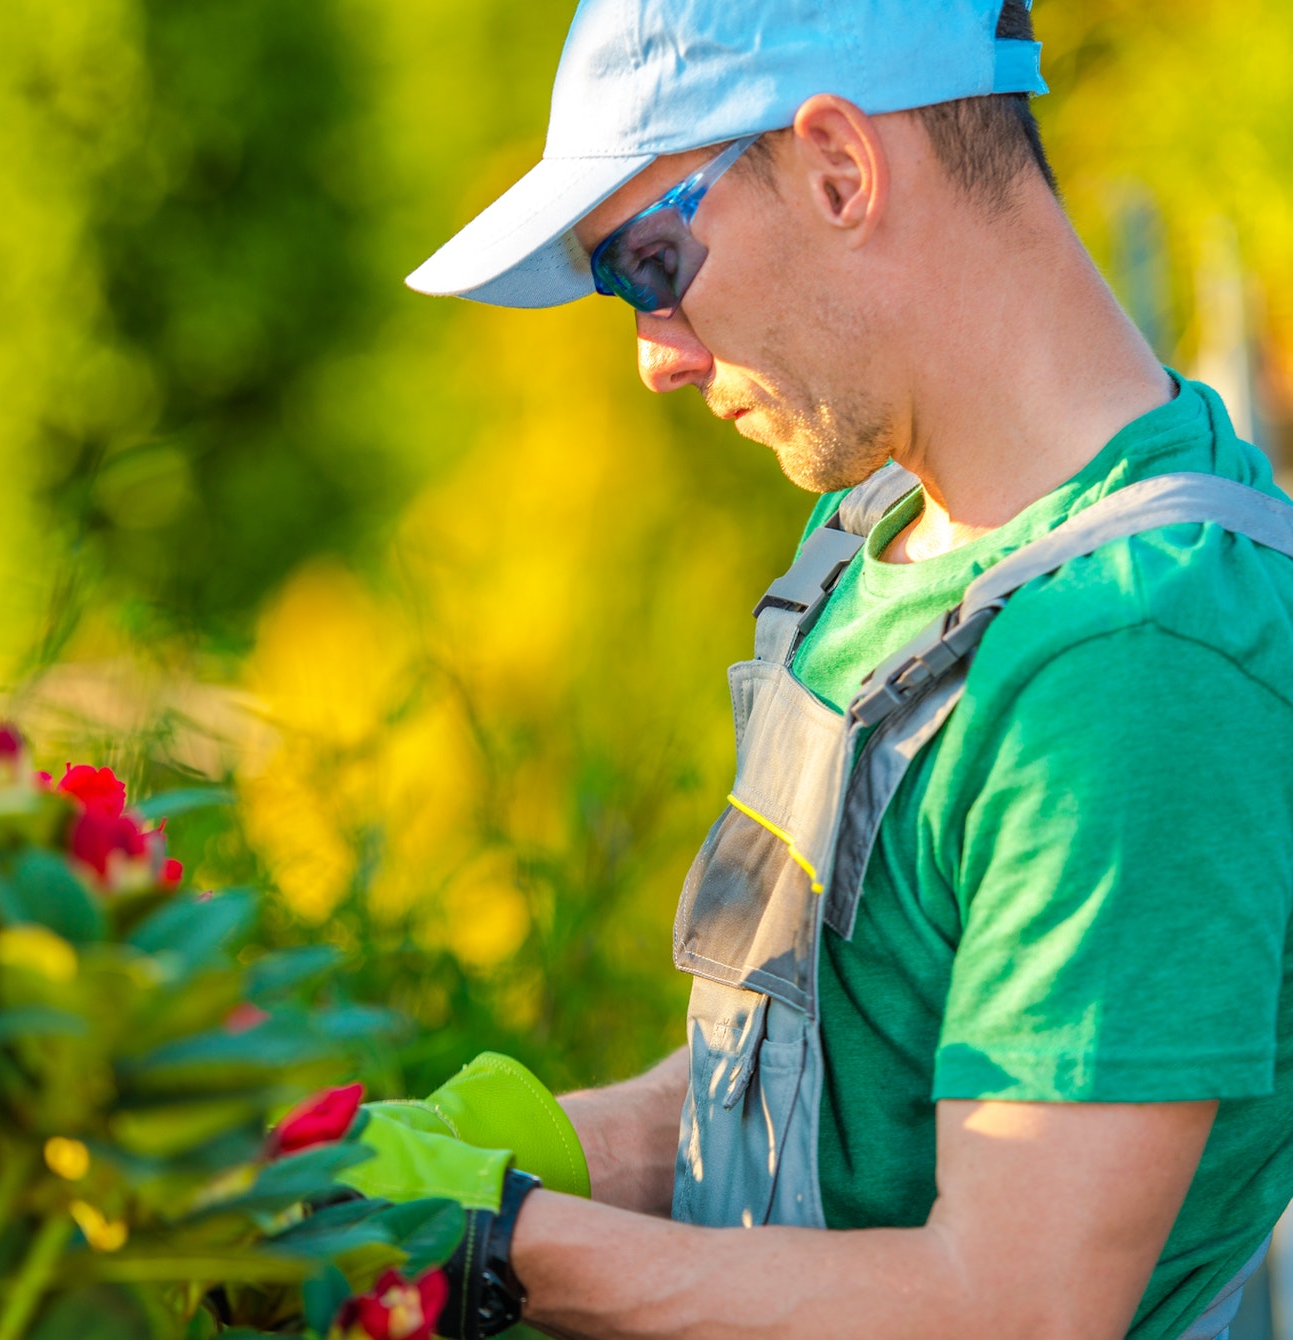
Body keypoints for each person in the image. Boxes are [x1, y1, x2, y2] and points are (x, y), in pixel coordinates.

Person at [353, 1, 1293, 1337]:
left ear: (843, 169)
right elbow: (823, 1087)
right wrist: (496, 1150)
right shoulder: (885, 548)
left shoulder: (1133, 665)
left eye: (647, 263)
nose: (654, 357)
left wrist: (507, 1247)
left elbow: (1014, 1307)